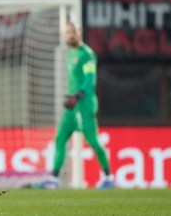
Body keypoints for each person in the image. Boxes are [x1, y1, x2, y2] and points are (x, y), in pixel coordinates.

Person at [34, 22, 115, 190]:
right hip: (72, 106)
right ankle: (53, 180)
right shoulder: (70, 54)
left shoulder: (87, 54)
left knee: (93, 141)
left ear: (80, 32)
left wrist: (78, 95)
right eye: (67, 32)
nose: (70, 35)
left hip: (84, 105)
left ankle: (109, 178)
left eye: (73, 31)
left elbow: (90, 79)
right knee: (60, 138)